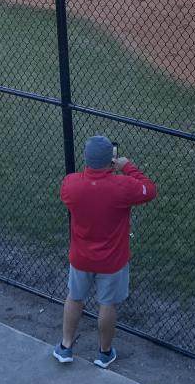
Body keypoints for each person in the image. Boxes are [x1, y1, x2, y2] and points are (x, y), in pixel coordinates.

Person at [54, 135, 157, 368]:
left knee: (74, 297)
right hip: (112, 261)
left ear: (86, 158)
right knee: (107, 304)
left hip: (80, 258)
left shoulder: (70, 184)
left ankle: (65, 346)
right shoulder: (123, 186)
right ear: (111, 160)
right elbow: (150, 190)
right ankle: (104, 353)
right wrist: (127, 167)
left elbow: (78, 193)